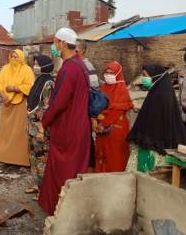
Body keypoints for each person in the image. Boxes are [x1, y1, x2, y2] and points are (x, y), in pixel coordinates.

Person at [39, 27, 91, 215]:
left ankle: (61, 211)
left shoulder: (69, 69)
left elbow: (59, 102)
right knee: (75, 170)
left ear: (62, 44)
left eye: (55, 42)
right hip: (80, 126)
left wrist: (45, 120)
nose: (53, 46)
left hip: (68, 129)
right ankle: (73, 211)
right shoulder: (80, 65)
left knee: (63, 172)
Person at [127, 64, 186, 173]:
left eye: (146, 75)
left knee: (150, 171)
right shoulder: (158, 90)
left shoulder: (160, 94)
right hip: (153, 138)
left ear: (155, 76)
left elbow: (156, 120)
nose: (144, 78)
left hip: (155, 141)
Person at [0, 49, 34, 166]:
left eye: (16, 57)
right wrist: (3, 96)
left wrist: (14, 88)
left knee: (19, 133)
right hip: (6, 104)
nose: (14, 59)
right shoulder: (5, 68)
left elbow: (29, 86)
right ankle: (4, 158)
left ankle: (19, 160)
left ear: (21, 58)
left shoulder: (27, 70)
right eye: (12, 56)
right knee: (5, 132)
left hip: (20, 105)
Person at [94, 61, 133, 173]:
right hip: (101, 128)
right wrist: (95, 120)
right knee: (101, 153)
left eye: (112, 73)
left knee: (114, 156)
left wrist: (104, 123)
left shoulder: (122, 90)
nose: (108, 75)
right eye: (106, 72)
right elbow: (96, 106)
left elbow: (118, 110)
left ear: (118, 74)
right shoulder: (103, 88)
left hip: (116, 128)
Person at [24, 55, 54, 198]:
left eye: (37, 64)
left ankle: (44, 190)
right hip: (31, 126)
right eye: (34, 64)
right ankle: (36, 184)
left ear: (45, 65)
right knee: (33, 157)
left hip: (40, 128)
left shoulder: (49, 83)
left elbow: (46, 106)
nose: (35, 66)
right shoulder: (38, 80)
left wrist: (40, 127)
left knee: (42, 158)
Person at [75, 39, 98, 172]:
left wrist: (93, 115)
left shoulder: (87, 66)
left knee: (87, 141)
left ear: (83, 50)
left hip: (86, 111)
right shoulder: (76, 64)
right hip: (79, 111)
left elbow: (94, 91)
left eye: (76, 49)